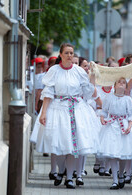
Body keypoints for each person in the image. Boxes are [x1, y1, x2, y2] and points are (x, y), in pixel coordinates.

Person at [33, 43, 100, 189]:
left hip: (76, 109)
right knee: (59, 144)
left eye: (72, 53)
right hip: (58, 109)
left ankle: (69, 177)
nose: (70, 56)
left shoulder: (79, 72)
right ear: (61, 55)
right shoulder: (54, 71)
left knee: (72, 147)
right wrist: (43, 112)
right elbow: (48, 93)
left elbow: (88, 92)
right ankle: (61, 170)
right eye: (67, 53)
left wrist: (92, 77)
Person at [97, 77, 132, 190]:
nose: (121, 84)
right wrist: (102, 118)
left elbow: (131, 115)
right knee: (113, 153)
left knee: (123, 154)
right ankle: (115, 180)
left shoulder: (128, 99)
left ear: (126, 87)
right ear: (115, 85)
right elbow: (104, 110)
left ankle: (121, 174)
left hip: (123, 125)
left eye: (123, 83)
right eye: (119, 82)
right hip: (111, 126)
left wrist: (130, 126)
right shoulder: (109, 97)